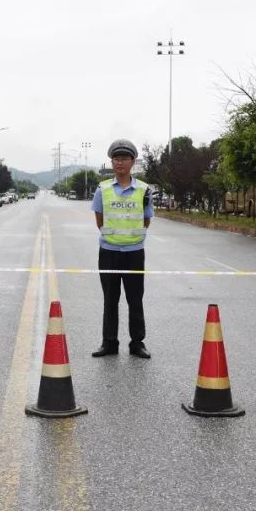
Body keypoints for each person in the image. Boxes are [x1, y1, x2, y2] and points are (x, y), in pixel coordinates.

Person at [91, 139, 154, 359]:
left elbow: (146, 219)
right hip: (109, 252)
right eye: (116, 159)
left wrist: (131, 237)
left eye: (124, 159)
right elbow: (99, 220)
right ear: (112, 162)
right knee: (110, 299)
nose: (120, 163)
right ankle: (109, 342)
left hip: (135, 253)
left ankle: (137, 343)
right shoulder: (102, 189)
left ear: (132, 162)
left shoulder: (144, 190)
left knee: (135, 299)